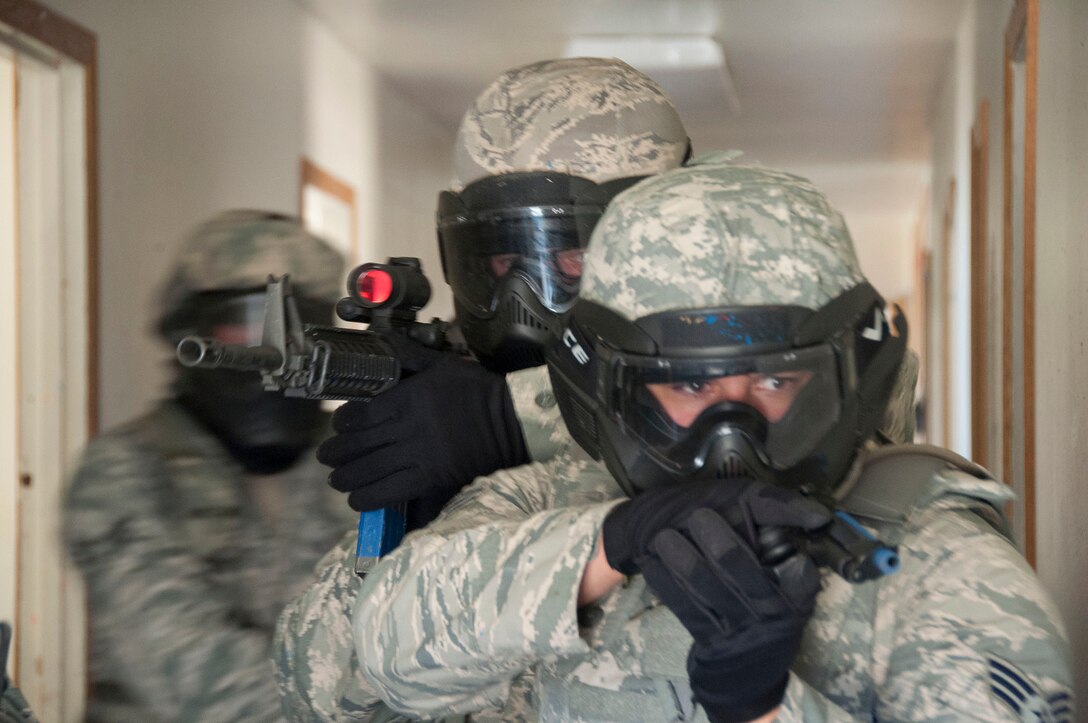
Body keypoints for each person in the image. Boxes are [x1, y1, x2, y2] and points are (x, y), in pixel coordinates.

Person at [351, 157, 1073, 721]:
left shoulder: (942, 564)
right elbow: (385, 648)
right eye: (690, 387)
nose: (732, 438)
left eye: (775, 382)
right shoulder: (547, 499)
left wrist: (761, 706)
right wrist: (607, 544)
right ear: (610, 389)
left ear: (845, 379)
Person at [274, 57, 692, 720]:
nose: (523, 298)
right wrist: (412, 527)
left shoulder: (740, 359)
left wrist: (516, 420)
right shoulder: (451, 410)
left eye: (571, 259)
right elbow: (323, 688)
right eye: (502, 262)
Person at [64, 211, 357, 722]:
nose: (277, 353)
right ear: (189, 338)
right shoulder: (124, 470)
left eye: (301, 329)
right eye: (246, 327)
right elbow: (205, 683)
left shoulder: (360, 456)